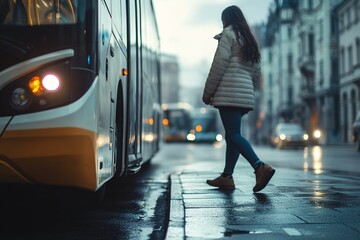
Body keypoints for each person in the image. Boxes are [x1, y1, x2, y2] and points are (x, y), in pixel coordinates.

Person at [202, 5, 275, 192]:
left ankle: (259, 166)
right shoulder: (249, 39)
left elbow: (218, 66)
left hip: (229, 93)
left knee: (233, 135)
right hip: (244, 96)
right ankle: (227, 176)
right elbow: (257, 73)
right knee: (232, 135)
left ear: (227, 19)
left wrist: (208, 93)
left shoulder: (228, 34)